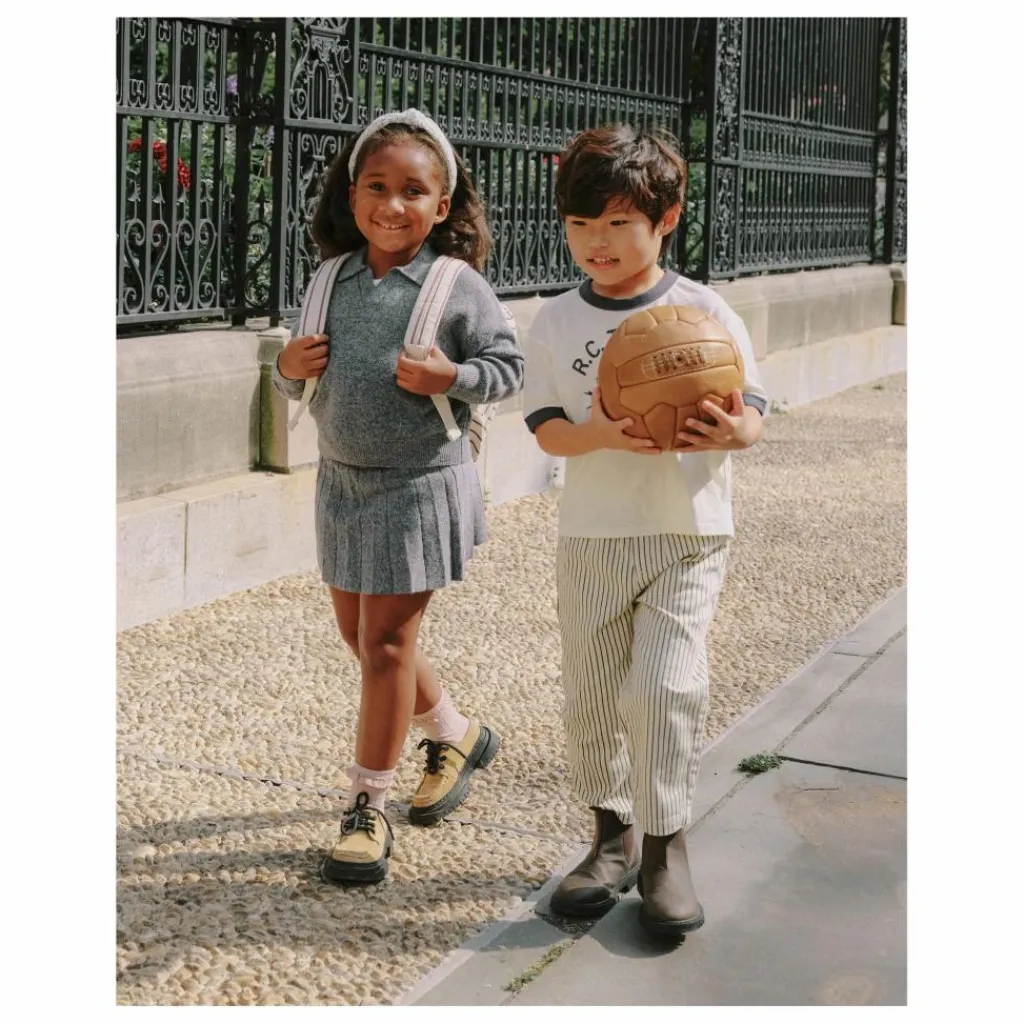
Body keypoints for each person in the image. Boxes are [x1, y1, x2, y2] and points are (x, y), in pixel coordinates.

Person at [522, 124, 768, 937]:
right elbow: (548, 430)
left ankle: (666, 849)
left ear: (665, 220)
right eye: (580, 224)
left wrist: (734, 432)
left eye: (618, 223)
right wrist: (597, 432)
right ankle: (610, 838)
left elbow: (751, 414)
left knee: (663, 687)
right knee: (592, 695)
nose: (597, 241)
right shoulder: (556, 320)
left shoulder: (703, 311)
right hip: (593, 533)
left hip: (685, 531)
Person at [273, 109, 524, 885]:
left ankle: (367, 808)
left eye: (413, 191)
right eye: (376, 187)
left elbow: (508, 368)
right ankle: (456, 733)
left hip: (418, 486)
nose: (392, 204)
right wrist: (286, 366)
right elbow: (297, 379)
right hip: (342, 483)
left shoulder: (457, 285)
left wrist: (454, 376)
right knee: (362, 637)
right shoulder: (331, 279)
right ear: (352, 195)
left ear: (441, 206)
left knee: (385, 646)